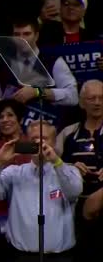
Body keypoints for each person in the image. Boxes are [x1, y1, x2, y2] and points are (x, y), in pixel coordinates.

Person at [0, 120, 82, 262]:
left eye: (44, 138)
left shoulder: (69, 171)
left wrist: (56, 161)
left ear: (53, 143)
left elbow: (74, 191)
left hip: (60, 257)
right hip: (21, 256)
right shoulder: (14, 173)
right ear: (27, 142)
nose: (39, 142)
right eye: (34, 139)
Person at [56, 80, 103, 262]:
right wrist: (69, 167)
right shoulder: (68, 133)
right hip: (76, 212)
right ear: (82, 102)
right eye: (92, 98)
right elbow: (51, 167)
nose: (97, 102)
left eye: (101, 98)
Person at [0, 99, 31, 262]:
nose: (5, 120)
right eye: (1, 117)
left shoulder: (33, 146)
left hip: (27, 215)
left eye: (10, 115)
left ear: (20, 119)